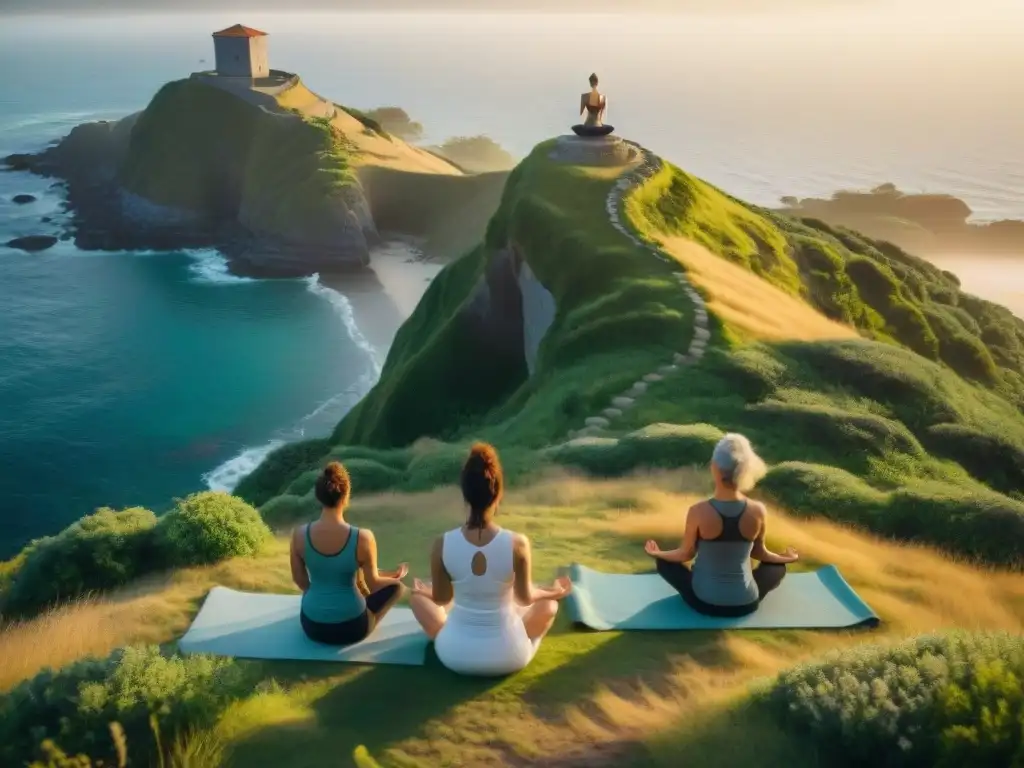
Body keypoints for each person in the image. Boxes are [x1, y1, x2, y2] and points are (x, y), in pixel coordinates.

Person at [408, 442, 573, 676]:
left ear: (465, 494)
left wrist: (425, 592)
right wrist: (553, 592)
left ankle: (455, 634)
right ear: (498, 494)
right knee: (549, 605)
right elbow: (525, 598)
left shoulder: (442, 543)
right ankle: (516, 635)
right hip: (509, 656)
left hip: (455, 655)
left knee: (417, 598)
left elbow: (443, 597)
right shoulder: (518, 543)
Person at [644, 434, 798, 617]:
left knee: (665, 563)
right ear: (745, 470)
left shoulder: (698, 511)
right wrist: (787, 558)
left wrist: (657, 554)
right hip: (747, 604)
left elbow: (685, 554)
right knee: (776, 568)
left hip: (704, 603)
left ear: (714, 468)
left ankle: (696, 581)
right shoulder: (758, 510)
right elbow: (760, 553)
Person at [290, 461, 408, 645]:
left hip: (312, 626)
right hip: (352, 628)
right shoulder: (362, 537)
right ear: (346, 496)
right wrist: (395, 578)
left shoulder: (299, 535)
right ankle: (368, 616)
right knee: (398, 588)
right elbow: (374, 583)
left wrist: (322, 599)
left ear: (318, 497)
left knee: (345, 574)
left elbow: (301, 581)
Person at [572, 72, 615, 137]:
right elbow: (601, 115)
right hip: (598, 127)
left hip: (588, 126)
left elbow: (581, 113)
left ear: (590, 83)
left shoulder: (584, 96)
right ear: (597, 83)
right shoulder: (603, 97)